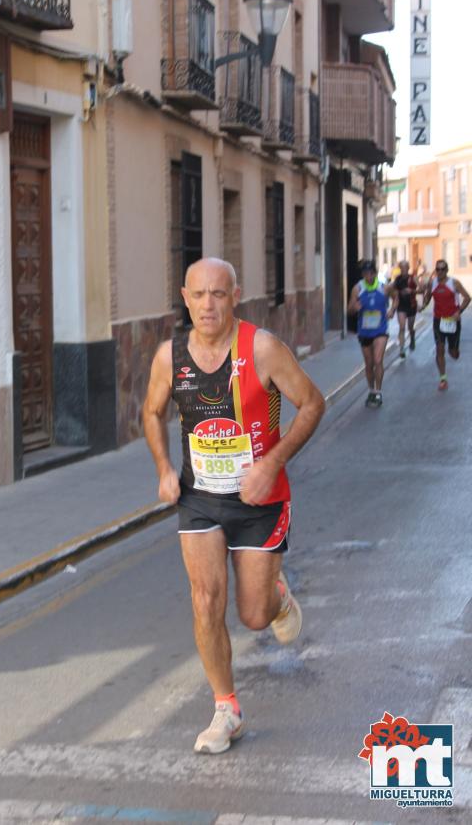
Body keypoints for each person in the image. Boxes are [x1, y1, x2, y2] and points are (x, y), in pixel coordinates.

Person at [142, 258, 325, 754]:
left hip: (259, 500)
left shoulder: (263, 349)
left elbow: (313, 402)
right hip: (200, 498)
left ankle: (276, 596)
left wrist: (273, 462)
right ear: (184, 297)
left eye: (218, 295)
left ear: (235, 296)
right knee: (205, 599)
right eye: (199, 295)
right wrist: (163, 466)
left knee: (253, 615)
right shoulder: (169, 357)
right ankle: (227, 708)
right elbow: (152, 412)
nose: (208, 304)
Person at [347, 260, 397, 408]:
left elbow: (396, 297)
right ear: (362, 275)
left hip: (381, 329)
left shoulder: (384, 287)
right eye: (365, 274)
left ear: (375, 273)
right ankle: (371, 389)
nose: (368, 276)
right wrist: (354, 307)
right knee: (368, 364)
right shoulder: (357, 289)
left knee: (377, 360)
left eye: (371, 273)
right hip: (364, 331)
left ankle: (378, 391)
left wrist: (392, 310)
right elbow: (349, 309)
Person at [421, 260, 470, 390]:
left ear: (447, 270)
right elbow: (427, 299)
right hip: (438, 320)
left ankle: (453, 349)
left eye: (443, 269)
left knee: (453, 354)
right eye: (438, 269)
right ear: (435, 270)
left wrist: (458, 312)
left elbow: (467, 297)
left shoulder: (454, 283)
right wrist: (423, 304)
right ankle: (443, 378)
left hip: (453, 321)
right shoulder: (432, 283)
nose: (440, 272)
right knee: (439, 349)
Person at [392, 260, 418, 357]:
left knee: (410, 327)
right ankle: (402, 349)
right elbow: (392, 290)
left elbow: (421, 289)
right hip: (401, 306)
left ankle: (412, 337)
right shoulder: (397, 279)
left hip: (411, 305)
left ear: (408, 267)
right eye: (401, 267)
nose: (403, 269)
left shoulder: (413, 278)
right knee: (402, 327)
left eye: (405, 267)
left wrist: (411, 290)